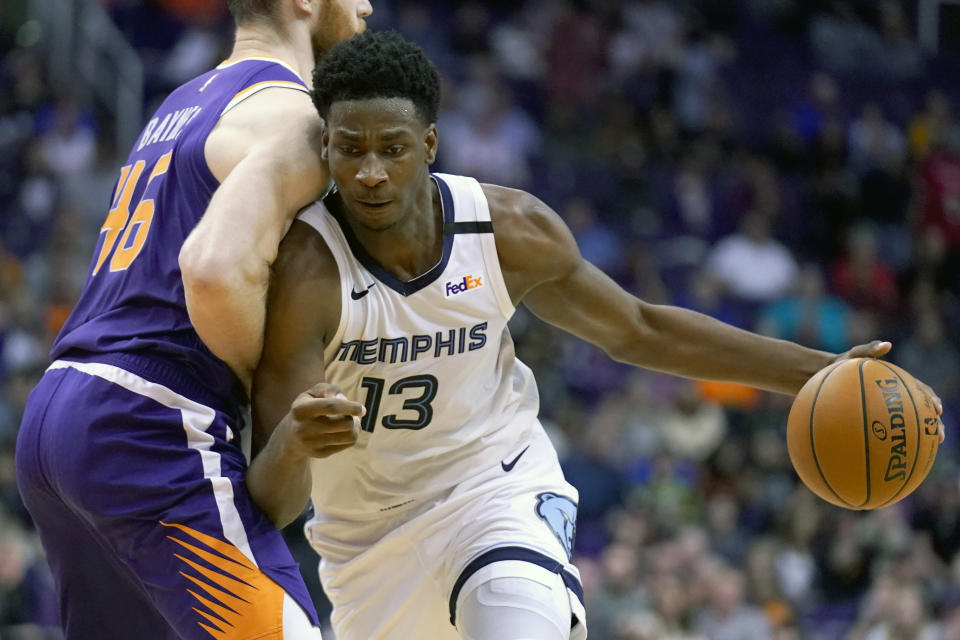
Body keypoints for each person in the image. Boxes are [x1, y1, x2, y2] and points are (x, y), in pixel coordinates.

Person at [248, 32, 945, 640]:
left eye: (392, 149)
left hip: (495, 488)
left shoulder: (508, 231)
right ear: (327, 147)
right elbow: (273, 504)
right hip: (368, 544)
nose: (370, 172)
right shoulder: (307, 274)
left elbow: (637, 329)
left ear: (429, 144)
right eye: (350, 150)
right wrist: (296, 442)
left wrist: (819, 372)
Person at [14, 1, 373, 638]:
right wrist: (250, 390)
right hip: (149, 422)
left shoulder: (179, 102)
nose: (369, 4)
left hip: (59, 412)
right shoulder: (296, 116)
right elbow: (209, 270)